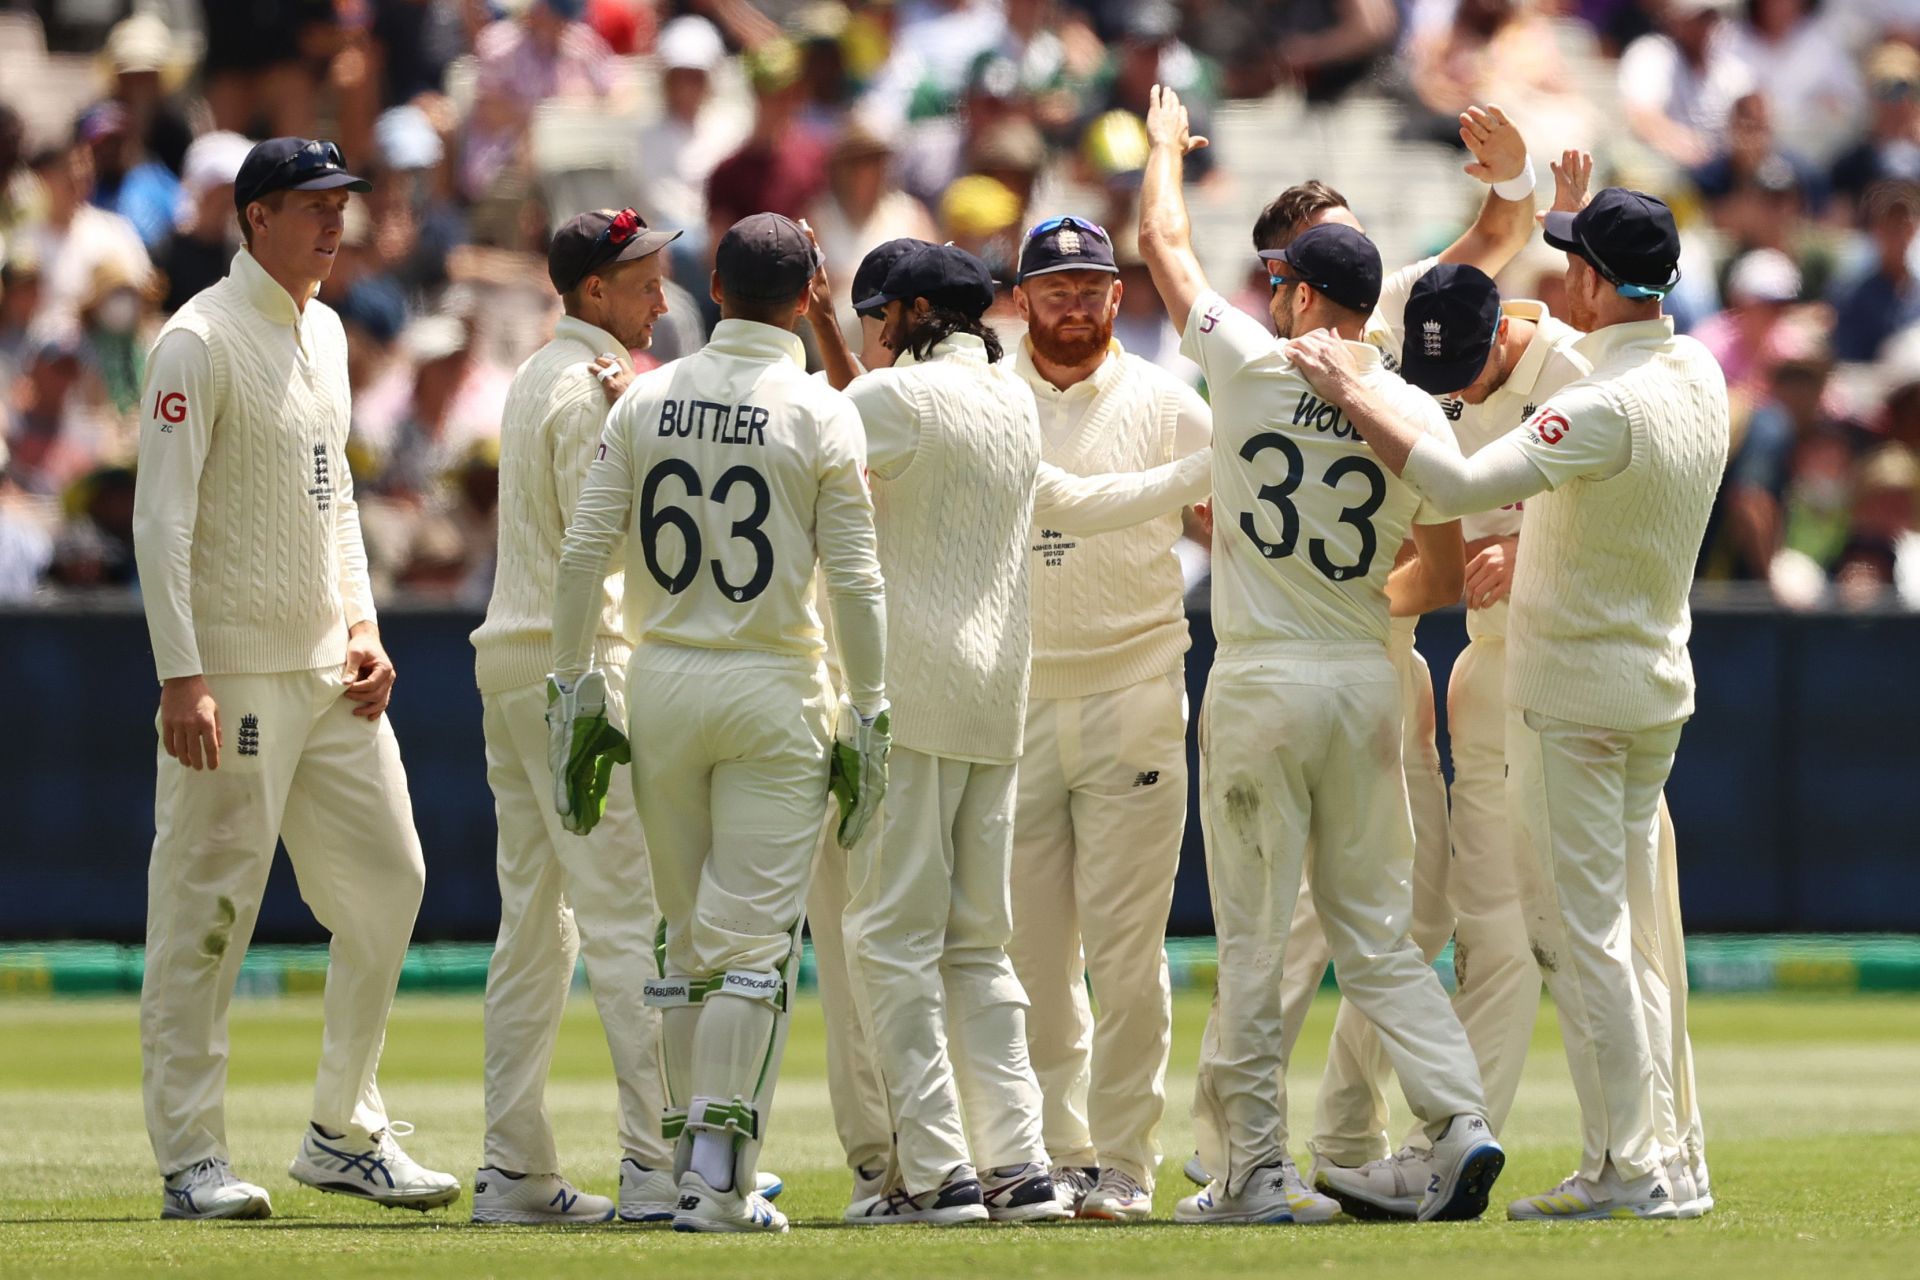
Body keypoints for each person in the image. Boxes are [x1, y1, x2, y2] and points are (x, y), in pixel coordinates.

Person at [1285, 185, 1729, 1220]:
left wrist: (1355, 392)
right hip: (1655, 682)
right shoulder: (1698, 366)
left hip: (1573, 691)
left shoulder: (1600, 402)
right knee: (1621, 932)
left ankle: (1627, 1168)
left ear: (1587, 281)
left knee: (1584, 939)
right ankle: (1657, 1153)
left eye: (1571, 261)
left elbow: (1460, 475)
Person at [1138, 85, 1502, 1227]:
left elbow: (1162, 243)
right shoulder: (1414, 407)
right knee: (1378, 937)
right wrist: (1346, 602)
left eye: (1286, 281)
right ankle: (1459, 1123)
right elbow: (1439, 580)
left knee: (1252, 945)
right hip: (1362, 678)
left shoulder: (1250, 362)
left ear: (1301, 294)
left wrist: (1161, 148)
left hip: (1260, 678)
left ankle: (1249, 1174)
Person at [840, 241, 1210, 1225]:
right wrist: (1218, 459)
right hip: (1000, 704)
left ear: (917, 313)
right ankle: (1018, 1164)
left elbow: (792, 452)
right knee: (983, 944)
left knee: (889, 936)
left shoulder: (891, 400)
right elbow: (1083, 503)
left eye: (882, 315)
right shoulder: (1007, 401)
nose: (873, 334)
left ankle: (942, 1171)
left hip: (914, 698)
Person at [130, 136, 458, 1220]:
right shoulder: (197, 339)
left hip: (331, 672)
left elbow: (333, 499)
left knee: (391, 883)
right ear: (255, 215)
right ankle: (191, 1156)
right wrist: (184, 676)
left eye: (342, 203)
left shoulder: (324, 330)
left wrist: (362, 621)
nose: (335, 221)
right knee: (210, 913)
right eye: (314, 203)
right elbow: (161, 521)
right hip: (233, 676)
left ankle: (341, 1129)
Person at [549, 212, 888, 1234]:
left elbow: (579, 560)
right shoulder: (823, 412)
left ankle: (678, 1161)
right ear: (811, 287)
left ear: (716, 286)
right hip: (775, 683)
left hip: (661, 683)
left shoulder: (647, 395)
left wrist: (575, 693)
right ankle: (718, 1180)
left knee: (686, 938)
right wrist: (869, 712)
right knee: (752, 947)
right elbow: (859, 582)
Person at [469, 207, 683, 1224]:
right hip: (578, 669)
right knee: (625, 916)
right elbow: (611, 548)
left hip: (511, 669)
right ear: (595, 291)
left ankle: (513, 1165)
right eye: (647, 280)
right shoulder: (598, 395)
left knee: (535, 927)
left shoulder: (536, 373)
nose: (664, 297)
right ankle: (658, 1165)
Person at [1000, 213, 1211, 1221]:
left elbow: (1233, 518)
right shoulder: (990, 392)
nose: (1074, 305)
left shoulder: (1171, 404)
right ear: (1021, 296)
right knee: (1034, 954)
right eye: (1056, 288)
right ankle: (1056, 1148)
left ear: (1117, 298)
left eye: (1090, 287)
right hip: (1018, 697)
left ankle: (1125, 1160)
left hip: (1133, 688)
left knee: (1127, 954)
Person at [800, 235, 926, 1219]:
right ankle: (882, 1163)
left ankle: (931, 1156)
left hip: (903, 706)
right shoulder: (842, 408)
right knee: (853, 949)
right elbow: (853, 414)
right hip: (848, 704)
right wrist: (826, 322)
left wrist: (823, 322)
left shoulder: (929, 405)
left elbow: (860, 413)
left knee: (910, 946)